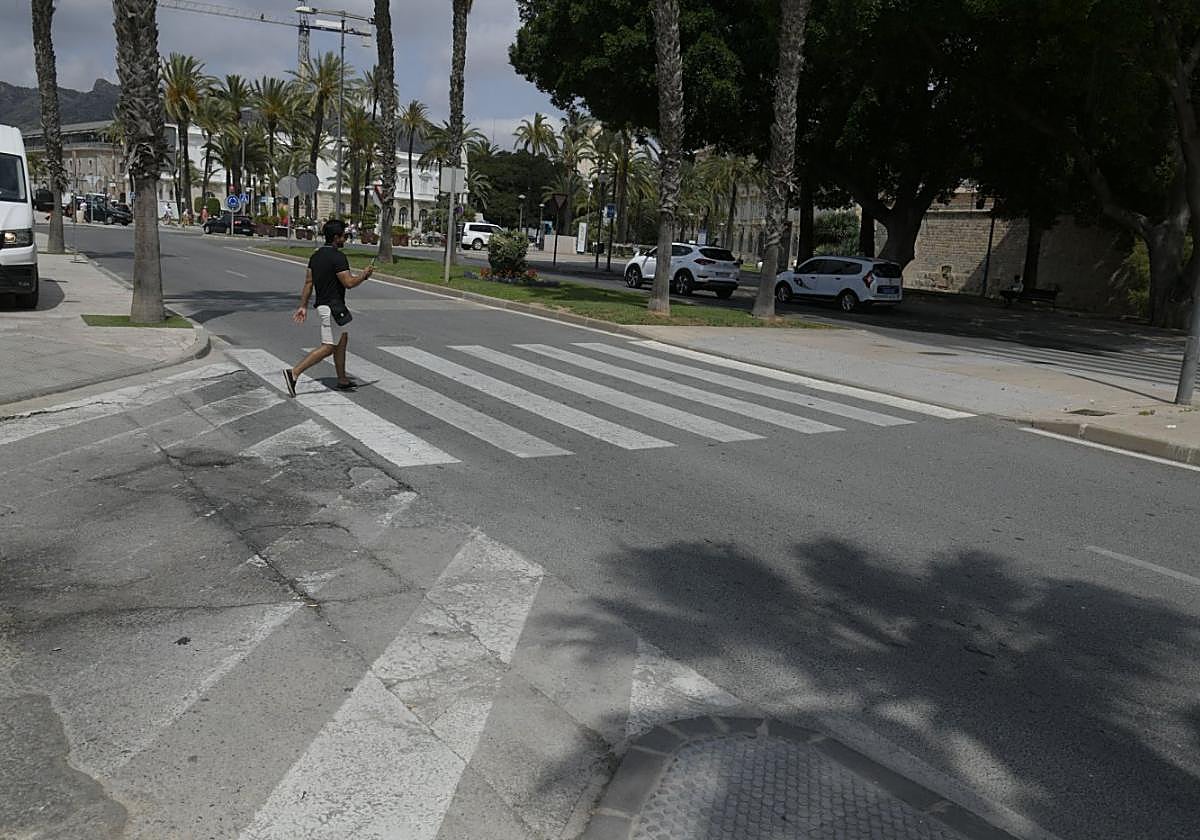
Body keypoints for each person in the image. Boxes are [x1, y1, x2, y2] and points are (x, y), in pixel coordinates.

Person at [283, 218, 374, 396]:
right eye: (343, 236)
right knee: (328, 346)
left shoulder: (315, 256)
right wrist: (364, 275)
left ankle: (342, 379)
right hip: (333, 307)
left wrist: (302, 306)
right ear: (335, 237)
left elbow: (308, 283)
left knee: (341, 340)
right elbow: (348, 283)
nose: (345, 239)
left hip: (324, 306)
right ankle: (294, 373)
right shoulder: (338, 257)